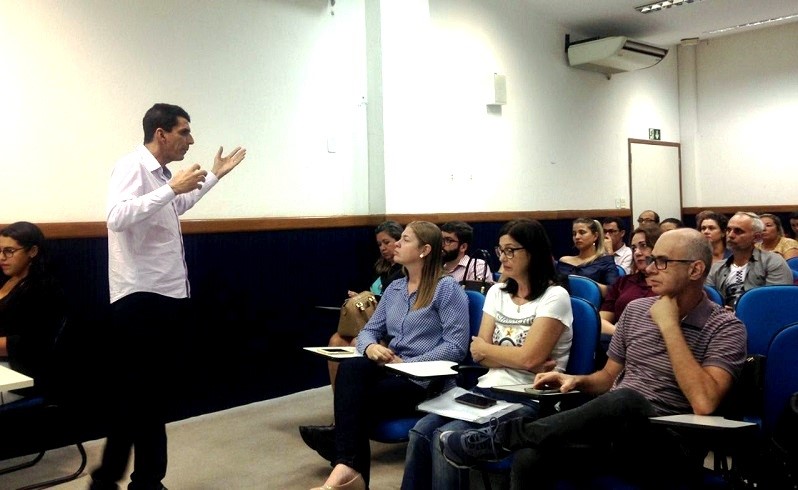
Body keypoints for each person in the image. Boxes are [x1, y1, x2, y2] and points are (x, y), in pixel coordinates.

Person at [439, 228, 748, 489]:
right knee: (530, 457)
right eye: (651, 259)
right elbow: (608, 378)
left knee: (627, 400)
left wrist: (669, 326)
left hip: (671, 443)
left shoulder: (725, 326)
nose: (649, 268)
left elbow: (704, 403)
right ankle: (509, 440)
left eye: (662, 262)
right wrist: (575, 380)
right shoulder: (637, 311)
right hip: (611, 434)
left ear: (695, 270)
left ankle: (504, 437)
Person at [90, 103, 246, 490]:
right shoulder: (132, 166)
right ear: (161, 133)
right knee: (139, 395)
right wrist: (171, 188)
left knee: (148, 396)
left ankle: (135, 479)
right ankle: (129, 480)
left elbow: (175, 205)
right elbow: (117, 217)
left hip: (166, 295)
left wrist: (213, 176)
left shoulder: (161, 176)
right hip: (140, 297)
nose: (190, 140)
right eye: (184, 132)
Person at [401, 219, 573, 490]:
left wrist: (511, 356)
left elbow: (527, 359)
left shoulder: (555, 296)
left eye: (510, 250)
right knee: (421, 430)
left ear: (533, 252)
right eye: (500, 250)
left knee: (444, 437)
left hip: (529, 396)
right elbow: (478, 353)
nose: (503, 258)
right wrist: (520, 358)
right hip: (487, 389)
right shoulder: (497, 292)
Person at [304, 221, 470, 490]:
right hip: (392, 371)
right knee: (352, 367)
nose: (397, 245)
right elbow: (369, 331)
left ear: (425, 250)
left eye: (405, 240)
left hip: (424, 380)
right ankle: (347, 470)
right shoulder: (394, 288)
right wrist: (370, 347)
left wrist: (409, 364)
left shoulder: (446, 289)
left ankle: (347, 473)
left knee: (353, 402)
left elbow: (456, 346)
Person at [324, 220, 404, 389]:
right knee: (336, 340)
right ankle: (339, 396)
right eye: (379, 244)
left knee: (356, 342)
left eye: (387, 242)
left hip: (387, 327)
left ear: (399, 241)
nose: (383, 248)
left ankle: (357, 395)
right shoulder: (379, 268)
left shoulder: (404, 272)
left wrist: (372, 298)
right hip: (368, 319)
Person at [0, 221, 65, 400]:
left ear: (32, 252)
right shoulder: (5, 279)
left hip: (21, 375)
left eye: (9, 251)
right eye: (0, 250)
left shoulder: (43, 289)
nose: (2, 257)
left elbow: (31, 343)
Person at [705, 212, 793, 309]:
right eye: (728, 230)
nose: (730, 235)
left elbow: (777, 300)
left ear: (756, 237)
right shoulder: (716, 268)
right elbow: (708, 301)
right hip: (723, 316)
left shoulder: (773, 261)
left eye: (738, 231)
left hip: (760, 315)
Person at [599, 223, 662, 337]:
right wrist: (624, 336)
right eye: (634, 248)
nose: (637, 252)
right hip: (618, 339)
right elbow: (601, 321)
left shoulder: (670, 284)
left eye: (643, 246)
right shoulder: (623, 282)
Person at [556, 218, 618, 297]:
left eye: (582, 232)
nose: (577, 237)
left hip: (592, 302)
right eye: (574, 234)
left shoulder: (605, 261)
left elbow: (613, 291)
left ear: (595, 236)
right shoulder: (564, 261)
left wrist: (586, 284)